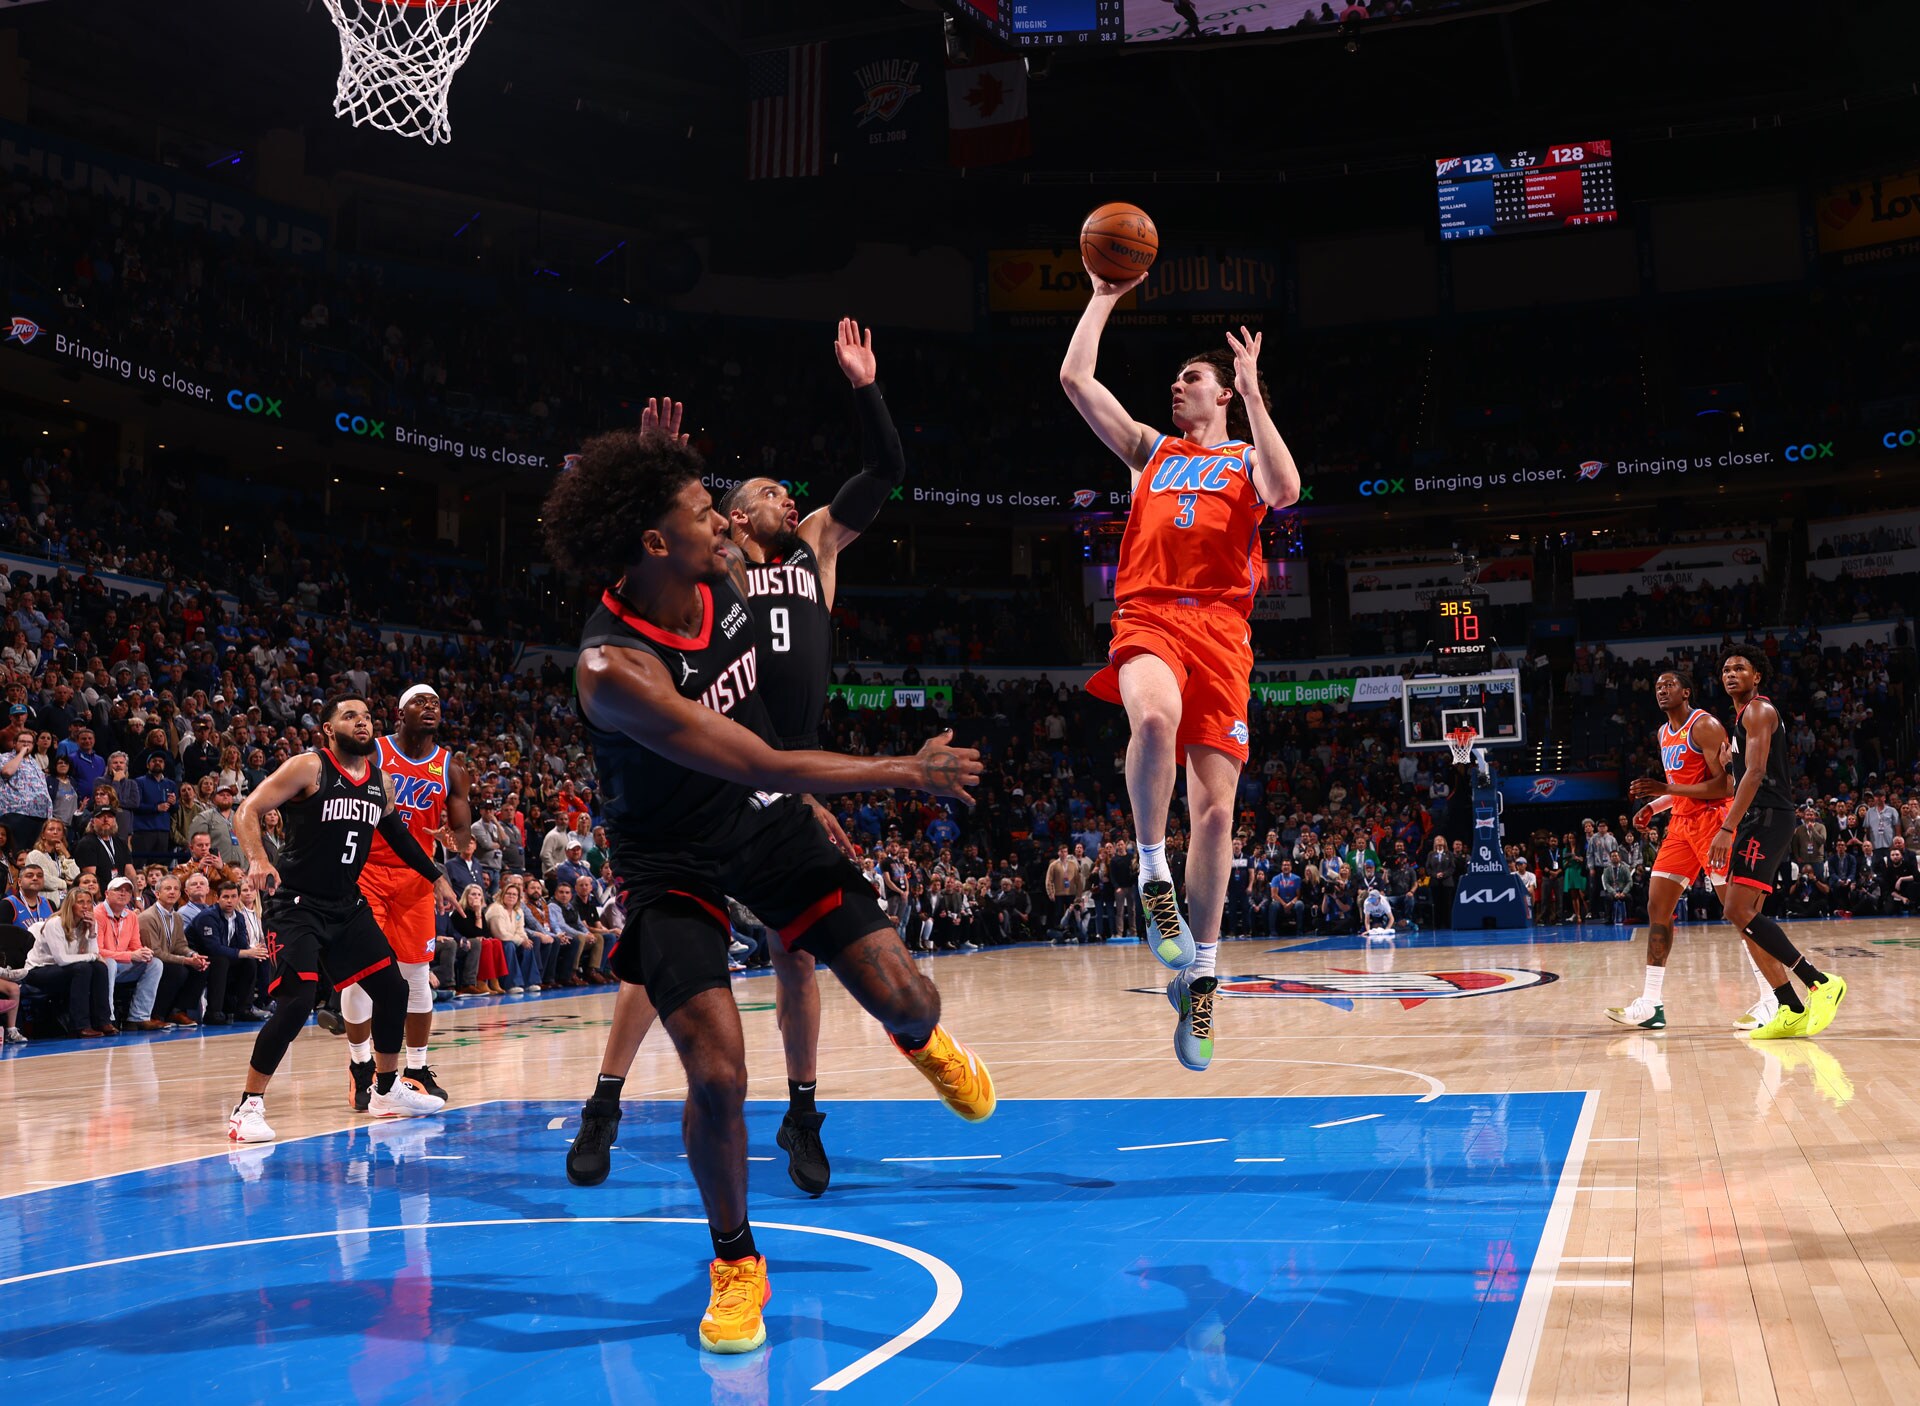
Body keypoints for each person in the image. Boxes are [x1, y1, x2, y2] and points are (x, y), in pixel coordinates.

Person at [542, 425, 991, 1355]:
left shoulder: (722, 579)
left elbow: (771, 719)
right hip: (674, 863)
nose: (725, 526)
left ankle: (921, 1040)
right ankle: (738, 1260)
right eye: (703, 513)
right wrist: (902, 771)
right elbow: (753, 750)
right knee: (716, 1071)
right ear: (656, 544)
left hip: (763, 819)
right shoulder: (613, 669)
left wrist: (658, 464)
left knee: (910, 994)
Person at [1061, 274, 1302, 1073]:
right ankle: (1150, 872)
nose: (1176, 386)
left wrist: (1256, 396)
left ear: (1222, 395)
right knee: (1153, 720)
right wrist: (1102, 294)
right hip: (1151, 616)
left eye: (1190, 379)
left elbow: (1286, 489)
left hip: (1224, 635)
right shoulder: (1148, 453)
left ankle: (1202, 977)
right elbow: (1074, 380)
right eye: (1176, 380)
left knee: (1215, 815)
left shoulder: (1241, 457)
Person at [224, 695, 457, 1143]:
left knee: (394, 988)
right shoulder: (308, 767)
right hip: (296, 904)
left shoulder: (379, 782)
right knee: (297, 1000)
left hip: (345, 905)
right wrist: (256, 858)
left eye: (368, 716)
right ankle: (247, 1107)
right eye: (350, 716)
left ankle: (386, 1091)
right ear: (329, 729)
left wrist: (436, 876)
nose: (362, 722)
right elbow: (247, 810)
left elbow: (400, 838)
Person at [333, 685, 472, 1110]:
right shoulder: (372, 749)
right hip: (366, 870)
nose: (430, 707)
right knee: (363, 973)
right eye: (420, 701)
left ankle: (414, 1069)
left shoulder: (451, 766)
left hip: (416, 878)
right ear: (399, 712)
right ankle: (361, 1066)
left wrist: (454, 839)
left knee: (415, 975)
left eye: (435, 703)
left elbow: (463, 831)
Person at [1714, 653, 1846, 1040]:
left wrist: (1727, 827)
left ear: (1757, 675)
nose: (1731, 674)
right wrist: (1727, 768)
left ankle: (1819, 981)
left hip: (1767, 816)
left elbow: (1756, 774)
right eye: (1725, 670)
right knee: (1746, 920)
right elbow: (1740, 779)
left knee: (1736, 909)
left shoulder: (1758, 711)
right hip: (1759, 817)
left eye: (1739, 668)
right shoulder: (1740, 721)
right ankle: (1789, 1006)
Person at [25, 889, 116, 1036]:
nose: (85, 906)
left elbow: (94, 954)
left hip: (68, 969)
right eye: (80, 902)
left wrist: (92, 932)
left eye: (88, 902)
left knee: (99, 967)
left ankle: (102, 1021)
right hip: (38, 971)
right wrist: (93, 956)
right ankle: (80, 1026)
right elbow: (62, 959)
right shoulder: (55, 923)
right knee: (84, 968)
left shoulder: (89, 923)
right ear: (70, 905)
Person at [138, 873, 208, 1026]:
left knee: (202, 967)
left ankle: (177, 1011)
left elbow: (180, 945)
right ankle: (157, 1014)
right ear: (157, 894)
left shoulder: (176, 917)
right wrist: (186, 960)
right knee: (177, 970)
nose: (172, 892)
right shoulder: (147, 917)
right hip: (151, 961)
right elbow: (155, 951)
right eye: (167, 888)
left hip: (168, 960)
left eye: (176, 889)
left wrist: (193, 955)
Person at [96, 875, 166, 1029]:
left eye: (127, 891)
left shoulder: (131, 916)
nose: (123, 893)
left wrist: (143, 952)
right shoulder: (98, 914)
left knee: (155, 963)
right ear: (107, 893)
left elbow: (135, 946)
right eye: (118, 890)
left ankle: (138, 1017)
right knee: (109, 963)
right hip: (102, 965)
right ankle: (107, 1017)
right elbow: (97, 951)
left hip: (123, 965)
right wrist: (131, 955)